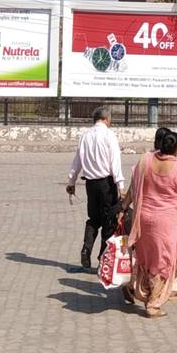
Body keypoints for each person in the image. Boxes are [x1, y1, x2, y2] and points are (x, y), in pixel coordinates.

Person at [121, 130, 177, 318]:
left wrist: (123, 207)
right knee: (163, 261)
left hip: (144, 218)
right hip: (165, 222)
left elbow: (133, 187)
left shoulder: (145, 160)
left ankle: (139, 289)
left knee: (146, 257)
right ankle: (153, 304)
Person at [66, 107, 124, 269]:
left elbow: (77, 161)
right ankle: (103, 258)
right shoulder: (109, 135)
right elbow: (115, 162)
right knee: (109, 221)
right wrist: (121, 185)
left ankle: (86, 249)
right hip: (107, 184)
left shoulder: (85, 136)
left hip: (90, 184)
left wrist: (71, 182)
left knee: (93, 218)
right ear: (107, 119)